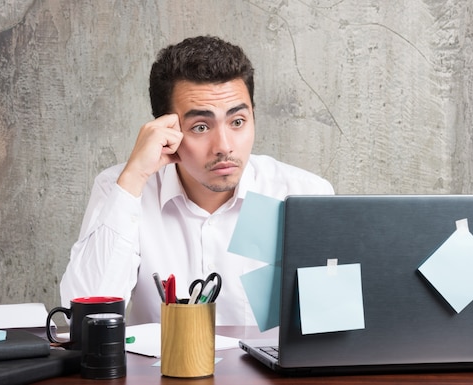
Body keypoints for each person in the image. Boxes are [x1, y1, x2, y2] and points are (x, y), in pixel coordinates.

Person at [59, 36, 334, 326]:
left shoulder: (303, 194)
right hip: (158, 371)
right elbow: (84, 315)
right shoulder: (123, 187)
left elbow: (333, 325)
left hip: (267, 372)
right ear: (165, 129)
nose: (224, 146)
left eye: (237, 121)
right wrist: (134, 178)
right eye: (201, 127)